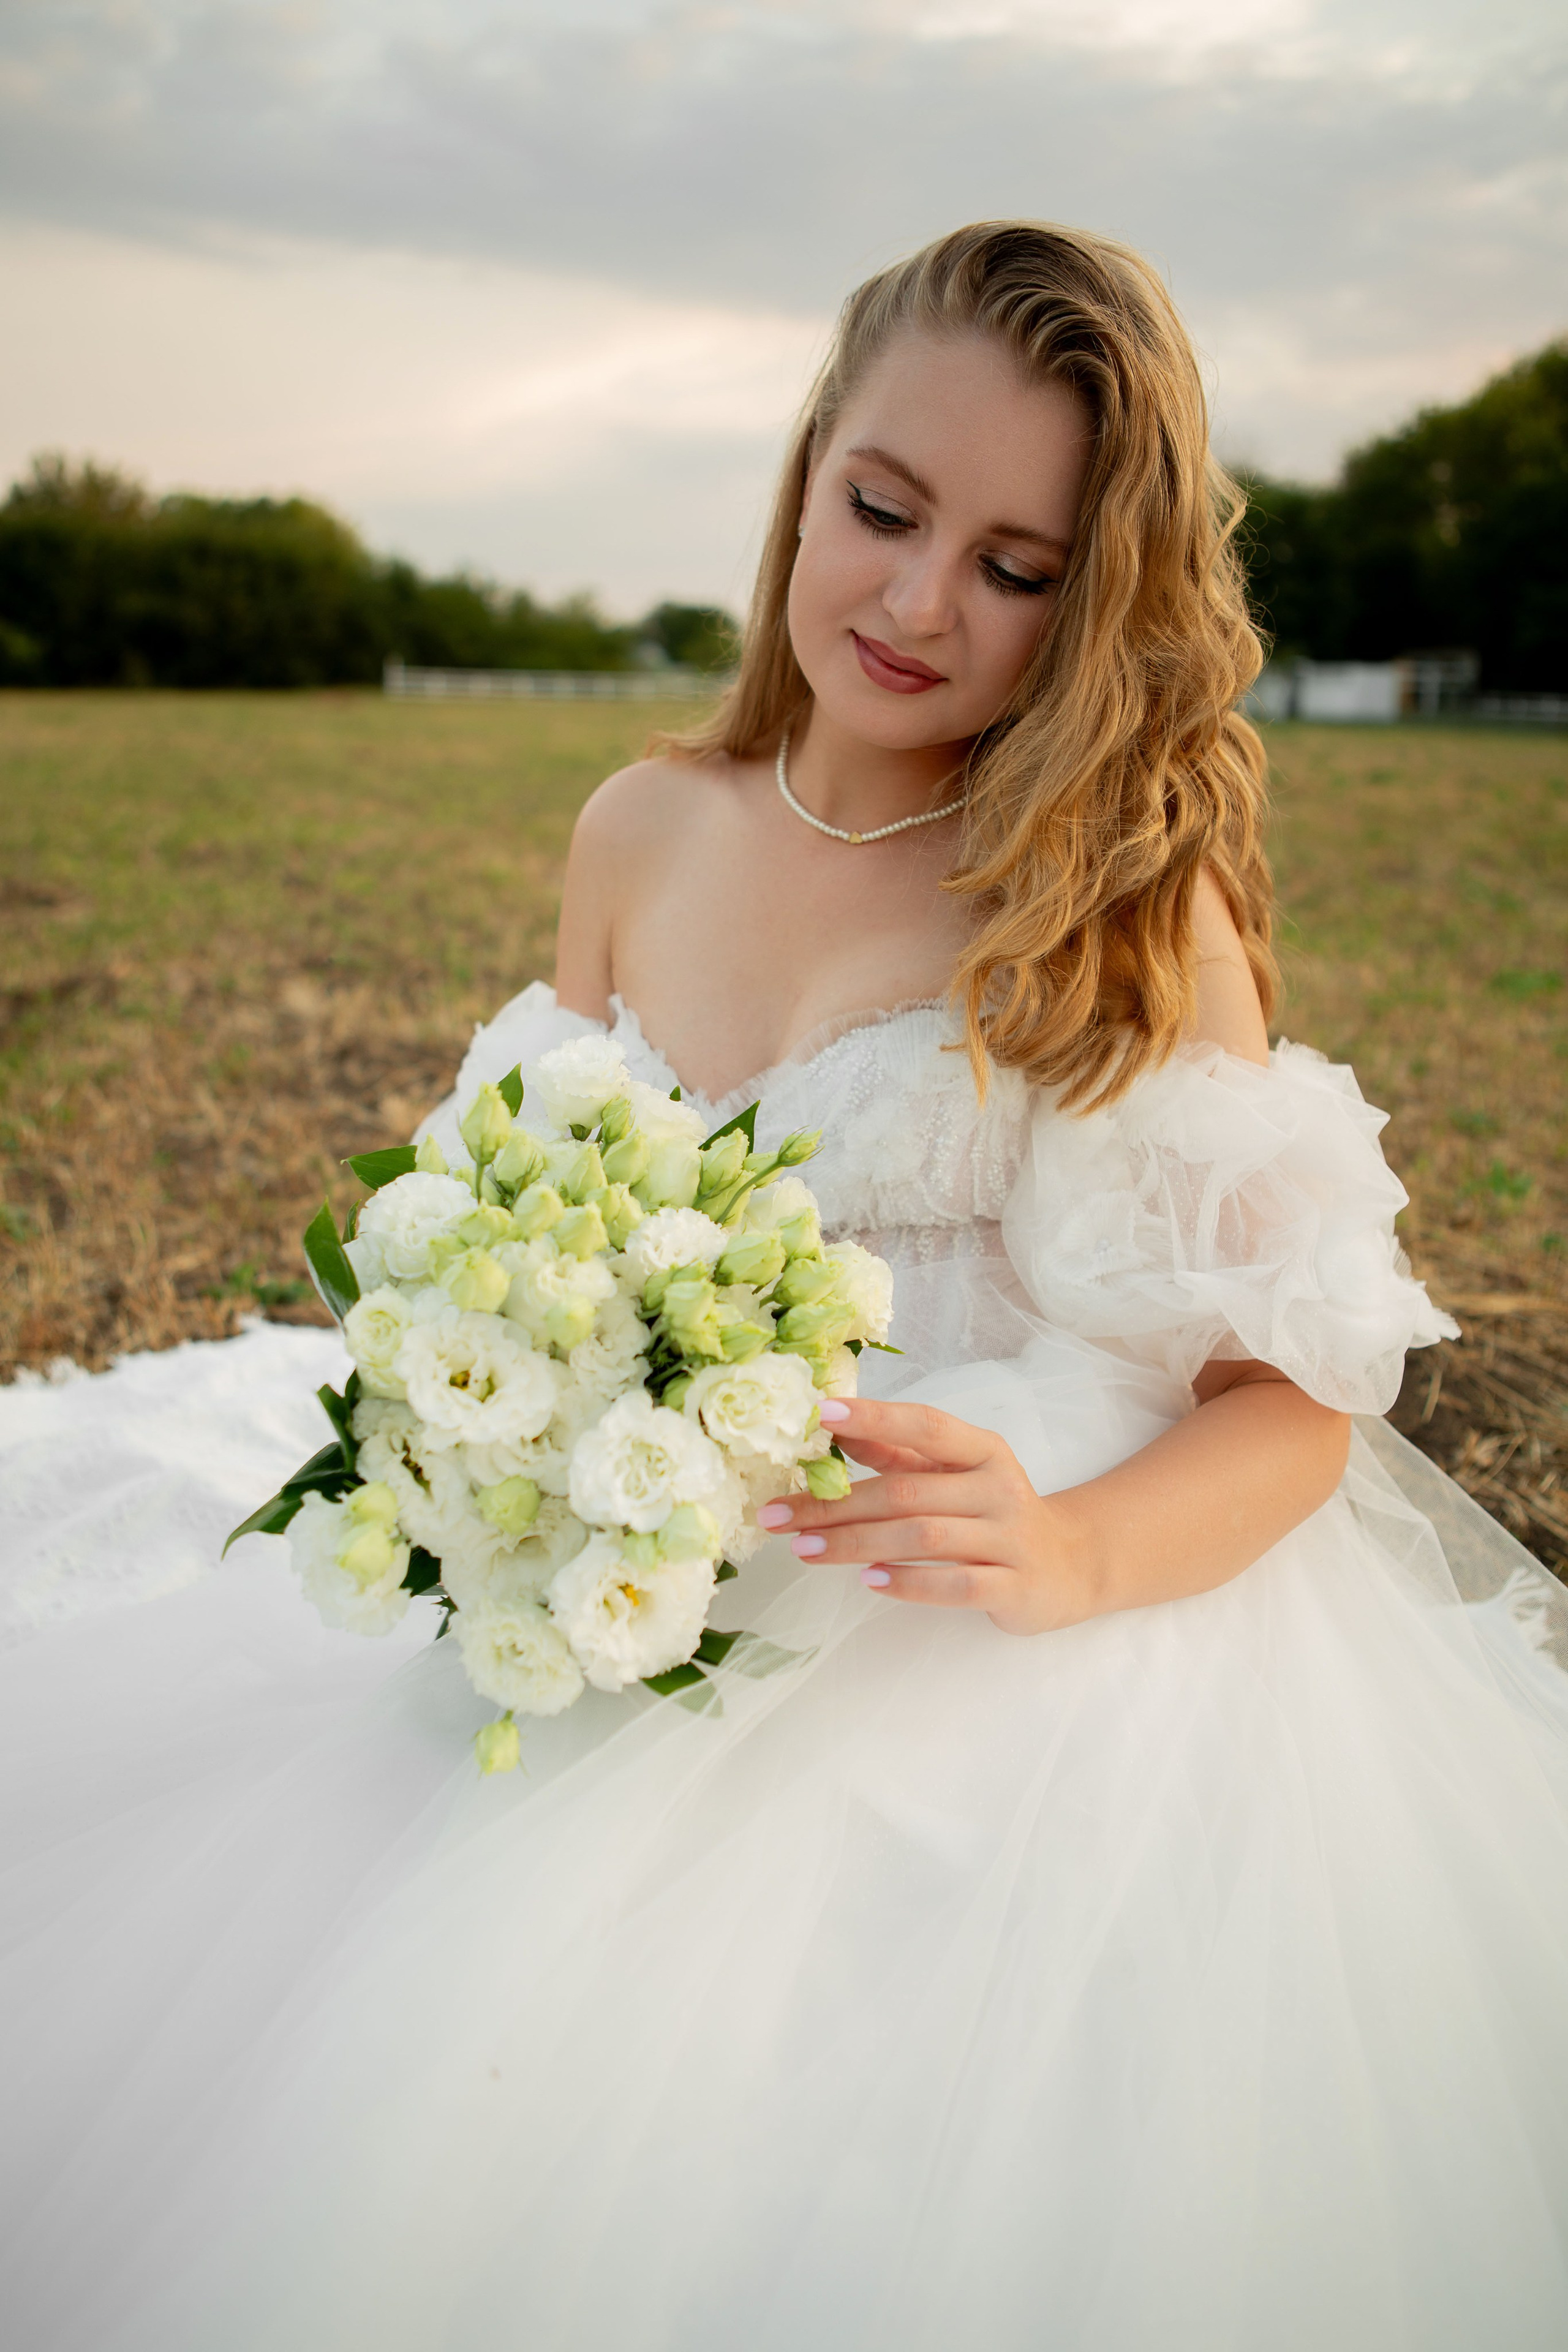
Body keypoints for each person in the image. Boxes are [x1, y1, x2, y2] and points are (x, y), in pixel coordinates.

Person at [2, 221, 1566, 2351]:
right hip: (630, 1573)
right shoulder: (644, 830)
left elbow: (1298, 1401)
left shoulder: (1116, 897)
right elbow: (536, 1222)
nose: (920, 604)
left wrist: (1076, 1551)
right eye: (886, 509)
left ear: (1101, 597)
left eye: (1018, 567)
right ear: (809, 469)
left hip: (984, 1599)